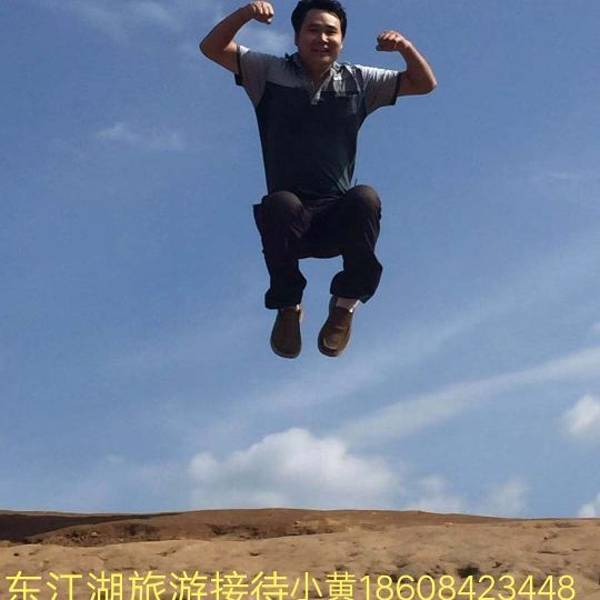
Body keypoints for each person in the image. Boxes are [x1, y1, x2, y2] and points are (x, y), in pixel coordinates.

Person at [200, 0, 437, 359]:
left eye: (331, 31)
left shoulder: (358, 80)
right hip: (290, 224)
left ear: (342, 40)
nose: (322, 38)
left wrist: (404, 47)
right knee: (279, 203)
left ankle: (344, 305)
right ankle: (288, 306)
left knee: (365, 197)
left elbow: (424, 83)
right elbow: (212, 48)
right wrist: (246, 13)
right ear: (296, 36)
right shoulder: (267, 72)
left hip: (336, 218)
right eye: (313, 30)